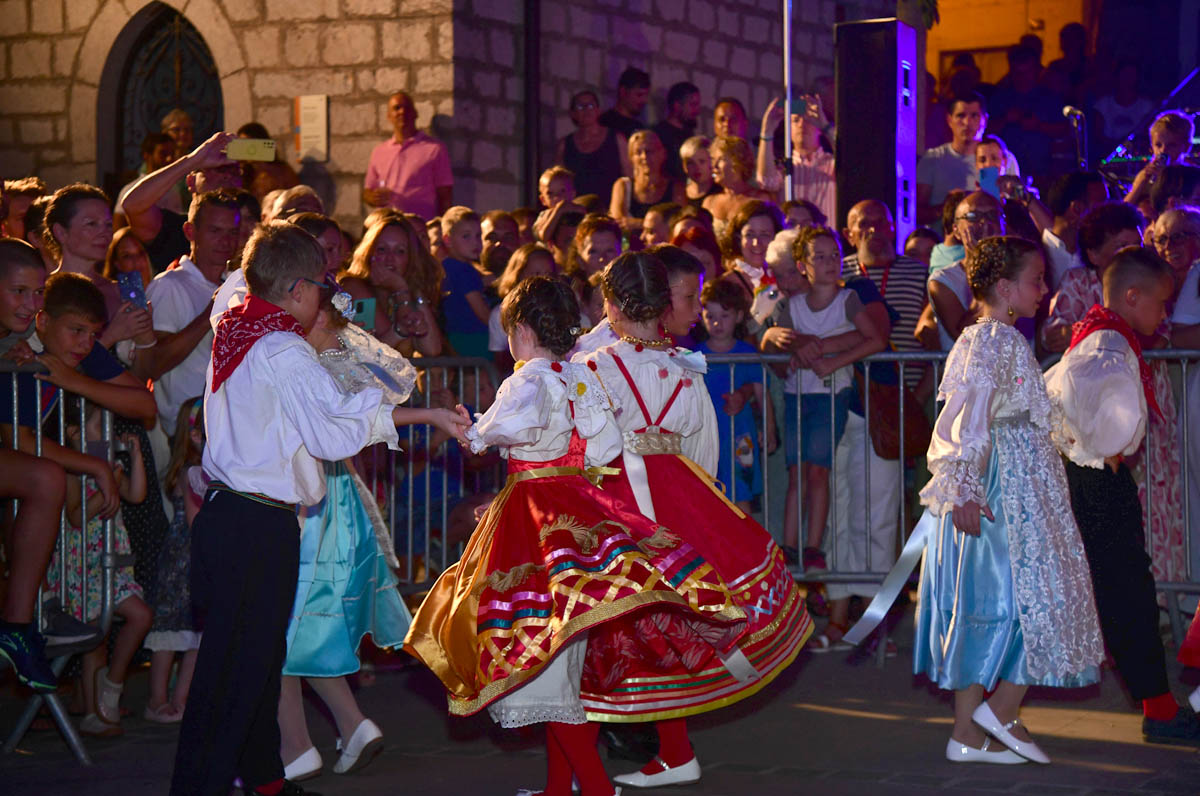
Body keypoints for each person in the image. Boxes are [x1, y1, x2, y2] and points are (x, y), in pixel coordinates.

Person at [407, 275, 746, 796]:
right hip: (578, 512)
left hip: (535, 515)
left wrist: (470, 429)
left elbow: (499, 433)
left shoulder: (526, 381)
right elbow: (605, 444)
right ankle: (560, 787)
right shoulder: (578, 377)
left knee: (538, 656)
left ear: (521, 331)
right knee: (564, 662)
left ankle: (593, 786)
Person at [168, 221, 470, 796]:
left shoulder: (233, 315)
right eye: (321, 289)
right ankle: (199, 787)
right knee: (234, 672)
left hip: (227, 519)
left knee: (251, 663)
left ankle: (266, 782)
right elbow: (335, 433)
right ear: (301, 290)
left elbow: (242, 277)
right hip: (258, 524)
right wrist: (423, 414)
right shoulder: (283, 349)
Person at [578, 252, 813, 789]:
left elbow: (586, 445)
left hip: (616, 505)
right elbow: (702, 452)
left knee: (605, 628)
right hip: (679, 502)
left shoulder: (592, 367)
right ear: (662, 305)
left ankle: (596, 763)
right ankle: (670, 751)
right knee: (666, 627)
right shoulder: (684, 370)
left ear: (608, 305)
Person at [911, 235, 1103, 764]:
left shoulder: (998, 339)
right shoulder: (992, 339)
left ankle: (966, 734)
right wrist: (966, 485)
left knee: (993, 599)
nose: (1043, 290)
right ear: (1003, 286)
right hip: (1006, 485)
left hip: (1017, 475)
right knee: (1033, 594)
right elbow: (965, 414)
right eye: (1035, 280)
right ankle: (1002, 708)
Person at [1044, 246, 1200, 747]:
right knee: (1125, 590)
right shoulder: (1109, 342)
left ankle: (1159, 702)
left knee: (1116, 589)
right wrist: (1109, 447)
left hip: (1090, 474)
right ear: (1133, 297)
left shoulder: (1103, 332)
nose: (1166, 314)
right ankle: (1160, 707)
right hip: (1098, 478)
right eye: (1162, 303)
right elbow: (1088, 400)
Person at [279, 285, 423, 780]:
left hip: (312, 499)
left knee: (279, 624)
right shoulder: (309, 359)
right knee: (299, 628)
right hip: (331, 494)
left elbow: (344, 424)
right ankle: (351, 722)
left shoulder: (303, 364)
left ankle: (295, 747)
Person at [779, 227, 886, 574]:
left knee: (818, 471)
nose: (830, 263)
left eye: (835, 256)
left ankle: (812, 547)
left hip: (831, 392)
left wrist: (832, 361)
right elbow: (781, 349)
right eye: (819, 257)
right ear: (802, 266)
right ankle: (789, 544)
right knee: (797, 471)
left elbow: (875, 340)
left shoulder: (848, 299)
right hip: (797, 392)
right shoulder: (792, 306)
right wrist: (792, 354)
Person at [53, 401, 152, 738]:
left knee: (139, 616)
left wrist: (134, 458)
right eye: (98, 425)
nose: (106, 433)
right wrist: (107, 482)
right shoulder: (72, 470)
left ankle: (112, 684)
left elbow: (136, 495)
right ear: (74, 432)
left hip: (111, 562)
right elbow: (75, 515)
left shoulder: (106, 463)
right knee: (96, 636)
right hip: (85, 563)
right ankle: (96, 712)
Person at [143, 398, 206, 725]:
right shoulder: (190, 472)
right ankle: (156, 700)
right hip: (184, 560)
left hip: (199, 560)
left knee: (196, 636)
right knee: (168, 634)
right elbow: (196, 521)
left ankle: (181, 699)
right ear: (196, 436)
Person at [695, 278, 774, 515]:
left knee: (741, 496)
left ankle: (745, 551)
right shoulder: (695, 356)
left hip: (740, 435)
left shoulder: (747, 353)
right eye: (711, 316)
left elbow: (762, 392)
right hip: (708, 437)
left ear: (739, 316)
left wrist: (770, 428)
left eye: (725, 316)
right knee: (708, 496)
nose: (717, 322)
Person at [338, 214, 443, 357]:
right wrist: (401, 291)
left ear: (410, 258)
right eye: (382, 249)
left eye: (400, 251)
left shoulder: (406, 288)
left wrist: (415, 292)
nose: (390, 258)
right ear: (369, 253)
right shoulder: (355, 287)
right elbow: (397, 351)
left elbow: (432, 349)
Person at [362, 91, 453, 220]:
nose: (402, 111)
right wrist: (372, 198)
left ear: (415, 114)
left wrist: (442, 226)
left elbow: (445, 195)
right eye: (397, 108)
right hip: (388, 226)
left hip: (421, 226)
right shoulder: (379, 151)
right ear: (389, 116)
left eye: (407, 107)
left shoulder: (435, 149)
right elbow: (367, 191)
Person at [757, 94, 837, 226]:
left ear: (819, 129)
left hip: (827, 241)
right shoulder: (784, 166)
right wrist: (767, 130)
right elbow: (766, 181)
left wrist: (825, 126)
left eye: (808, 120)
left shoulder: (832, 163)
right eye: (795, 120)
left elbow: (852, 164)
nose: (802, 124)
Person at [487, 243, 557, 371]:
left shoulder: (560, 311)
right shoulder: (501, 313)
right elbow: (500, 359)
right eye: (536, 274)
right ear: (518, 275)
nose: (544, 280)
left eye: (549, 274)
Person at [558, 91, 631, 210]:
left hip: (610, 209)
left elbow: (629, 176)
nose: (586, 110)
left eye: (591, 105)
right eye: (580, 106)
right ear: (573, 113)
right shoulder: (565, 145)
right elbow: (558, 181)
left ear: (598, 110)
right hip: (577, 210)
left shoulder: (616, 139)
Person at [610, 130, 686, 242]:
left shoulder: (676, 188)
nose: (644, 156)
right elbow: (618, 224)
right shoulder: (623, 186)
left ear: (662, 154)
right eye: (638, 152)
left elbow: (679, 224)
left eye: (649, 151)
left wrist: (637, 223)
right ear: (631, 157)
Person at [439, 206, 490, 357]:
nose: (475, 242)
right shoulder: (463, 270)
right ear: (448, 239)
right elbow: (483, 313)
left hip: (455, 337)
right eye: (466, 236)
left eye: (478, 236)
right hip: (473, 340)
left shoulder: (448, 266)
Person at [1125, 112, 1196, 214]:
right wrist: (1140, 184)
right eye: (1158, 145)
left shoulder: (1192, 177)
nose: (1163, 150)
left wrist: (1165, 178)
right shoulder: (1146, 175)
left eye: (1172, 145)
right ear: (1151, 147)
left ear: (1186, 147)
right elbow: (1124, 210)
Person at [113, 132, 183, 225]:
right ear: (147, 155)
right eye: (163, 153)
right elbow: (118, 227)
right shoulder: (130, 190)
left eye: (172, 154)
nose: (169, 159)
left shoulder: (173, 191)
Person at [703, 136, 773, 226]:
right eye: (713, 159)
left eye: (721, 159)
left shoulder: (759, 200)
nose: (714, 166)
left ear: (738, 162)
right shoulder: (709, 202)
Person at [653, 81, 700, 180]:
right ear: (677, 106)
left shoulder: (689, 135)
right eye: (692, 105)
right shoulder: (659, 134)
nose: (697, 111)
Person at [599, 65, 650, 139]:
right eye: (639, 95)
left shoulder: (639, 127)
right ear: (623, 92)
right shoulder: (605, 123)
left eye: (646, 95)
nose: (644, 100)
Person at [679, 135, 718, 208]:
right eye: (690, 163)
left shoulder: (720, 192)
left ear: (712, 162)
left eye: (702, 161)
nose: (696, 168)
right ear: (684, 166)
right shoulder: (679, 193)